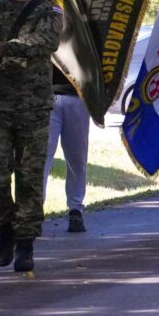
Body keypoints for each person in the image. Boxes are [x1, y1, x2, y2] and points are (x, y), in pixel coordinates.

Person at [0, 0, 63, 272]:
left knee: (29, 178)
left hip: (34, 108)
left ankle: (26, 243)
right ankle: (5, 229)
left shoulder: (49, 13)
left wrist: (3, 47)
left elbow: (44, 42)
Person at [43, 67, 91, 232]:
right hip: (48, 97)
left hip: (78, 96)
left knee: (77, 158)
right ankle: (33, 211)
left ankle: (75, 209)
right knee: (42, 158)